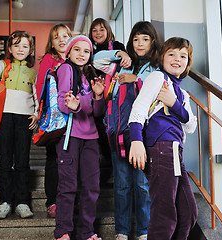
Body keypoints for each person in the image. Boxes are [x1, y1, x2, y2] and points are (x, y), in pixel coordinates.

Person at [93, 21, 161, 240]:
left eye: (145, 39)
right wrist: (119, 53)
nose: (140, 44)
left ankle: (143, 232)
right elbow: (96, 59)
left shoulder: (157, 67)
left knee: (142, 185)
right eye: (135, 39)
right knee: (122, 185)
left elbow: (159, 88)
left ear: (153, 41)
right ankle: (122, 232)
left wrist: (136, 79)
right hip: (118, 132)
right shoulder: (123, 64)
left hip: (143, 135)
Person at [128, 37, 198, 239]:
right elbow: (139, 108)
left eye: (183, 56)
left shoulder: (182, 94)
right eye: (172, 54)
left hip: (175, 151)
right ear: (162, 57)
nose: (177, 58)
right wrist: (136, 141)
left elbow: (191, 125)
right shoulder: (158, 77)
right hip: (161, 147)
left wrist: (174, 103)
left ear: (187, 63)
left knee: (188, 214)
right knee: (164, 215)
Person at [0, 30, 38, 219]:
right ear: (10, 48)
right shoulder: (2, 66)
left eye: (25, 46)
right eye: (16, 45)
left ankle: (22, 202)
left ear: (30, 49)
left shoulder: (33, 73)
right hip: (4, 117)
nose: (21, 49)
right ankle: (5, 202)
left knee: (22, 161)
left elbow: (37, 96)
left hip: (25, 119)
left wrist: (36, 114)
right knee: (5, 161)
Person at [54, 35, 105, 240]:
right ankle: (63, 232)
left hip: (91, 138)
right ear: (69, 52)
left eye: (86, 51)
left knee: (91, 187)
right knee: (68, 186)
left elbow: (98, 113)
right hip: (70, 136)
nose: (82, 54)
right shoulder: (66, 69)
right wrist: (73, 106)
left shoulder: (90, 75)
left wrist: (99, 96)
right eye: (77, 50)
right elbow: (61, 100)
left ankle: (86, 232)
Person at [88, 18, 131, 187]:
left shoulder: (118, 46)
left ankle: (112, 174)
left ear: (108, 31)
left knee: (111, 136)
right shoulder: (89, 49)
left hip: (114, 97)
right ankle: (104, 174)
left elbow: (124, 68)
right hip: (95, 95)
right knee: (98, 136)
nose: (98, 33)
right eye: (94, 30)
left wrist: (121, 53)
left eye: (101, 29)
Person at [36, 24, 72, 218]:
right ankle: (52, 201)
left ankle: (68, 200)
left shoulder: (77, 56)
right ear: (52, 41)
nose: (61, 40)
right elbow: (40, 85)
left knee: (71, 160)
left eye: (65, 36)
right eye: (56, 37)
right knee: (53, 159)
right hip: (54, 118)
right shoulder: (49, 59)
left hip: (75, 119)